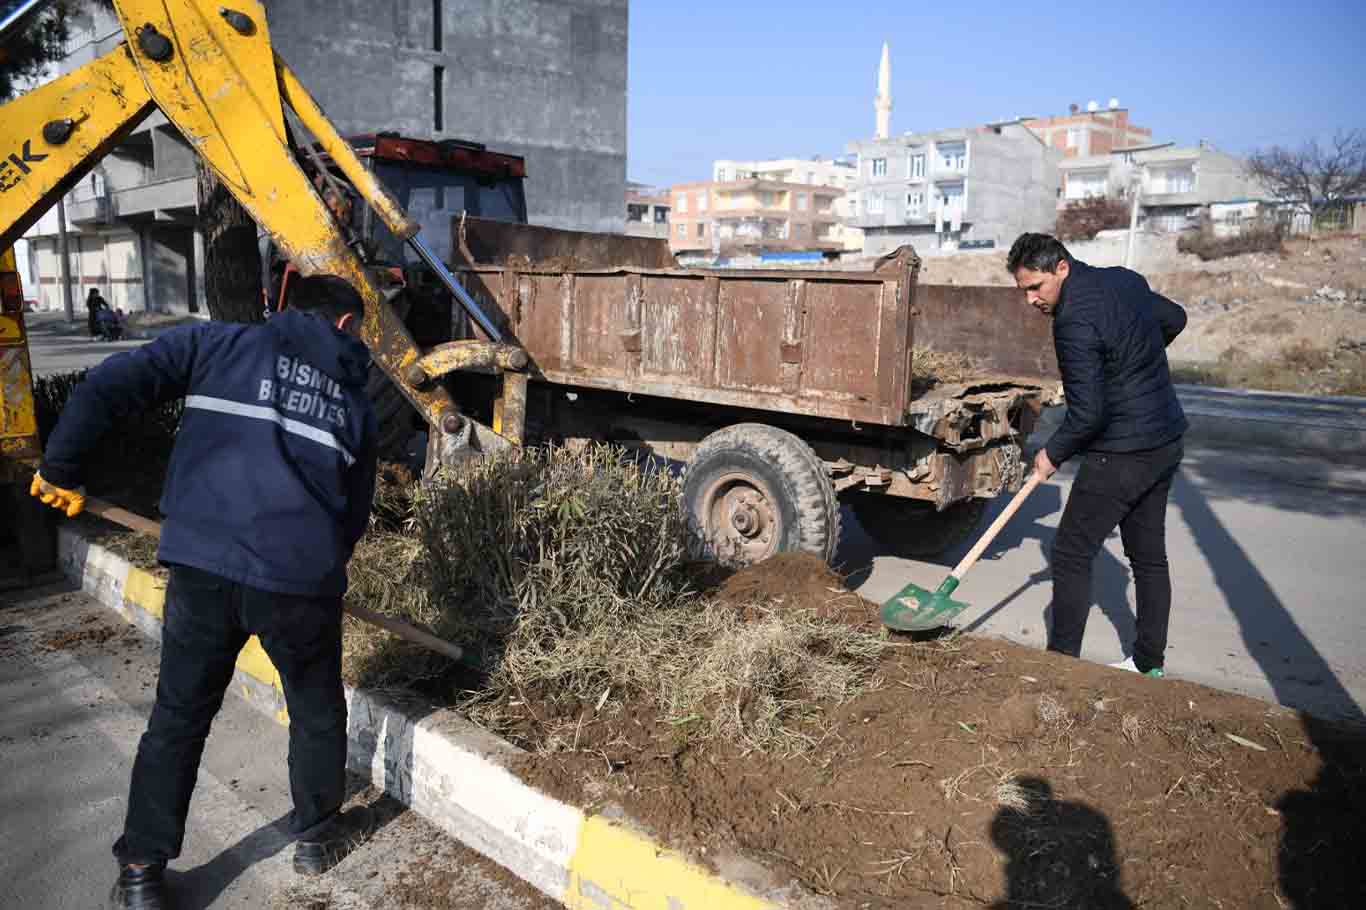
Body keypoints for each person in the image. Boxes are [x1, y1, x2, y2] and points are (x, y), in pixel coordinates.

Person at [31, 275, 379, 910]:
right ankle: (317, 835)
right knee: (316, 708)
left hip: (203, 567)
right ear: (344, 327)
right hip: (299, 582)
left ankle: (141, 873)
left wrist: (60, 465)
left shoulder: (215, 345)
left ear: (284, 309)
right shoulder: (354, 404)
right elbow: (353, 514)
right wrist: (317, 563)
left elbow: (110, 385)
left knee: (178, 718)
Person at [1006, 233, 1187, 679]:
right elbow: (1175, 318)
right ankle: (1148, 663)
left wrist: (1052, 453)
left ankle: (1061, 669)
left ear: (1061, 267)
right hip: (1165, 437)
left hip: (1122, 450)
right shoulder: (1125, 281)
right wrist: (1136, 358)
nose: (1031, 299)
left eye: (1036, 287)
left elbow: (1088, 415)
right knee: (1148, 557)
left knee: (1069, 552)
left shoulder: (1072, 320)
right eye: (1023, 290)